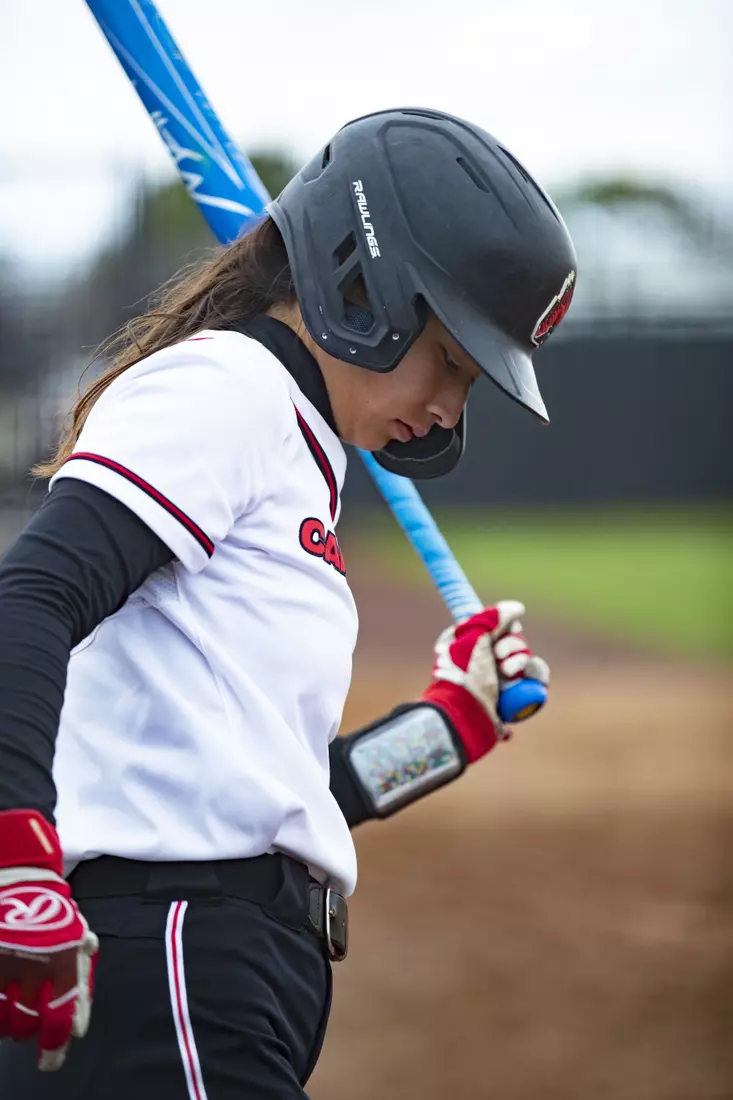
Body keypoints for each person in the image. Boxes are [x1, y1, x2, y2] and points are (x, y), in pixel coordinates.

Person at [0, 107, 576, 1098]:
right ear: (367, 285)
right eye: (450, 358)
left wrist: (449, 726)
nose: (448, 407)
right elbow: (32, 593)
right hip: (172, 957)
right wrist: (15, 855)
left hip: (218, 964)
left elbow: (285, 797)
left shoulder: (295, 452)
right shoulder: (230, 388)